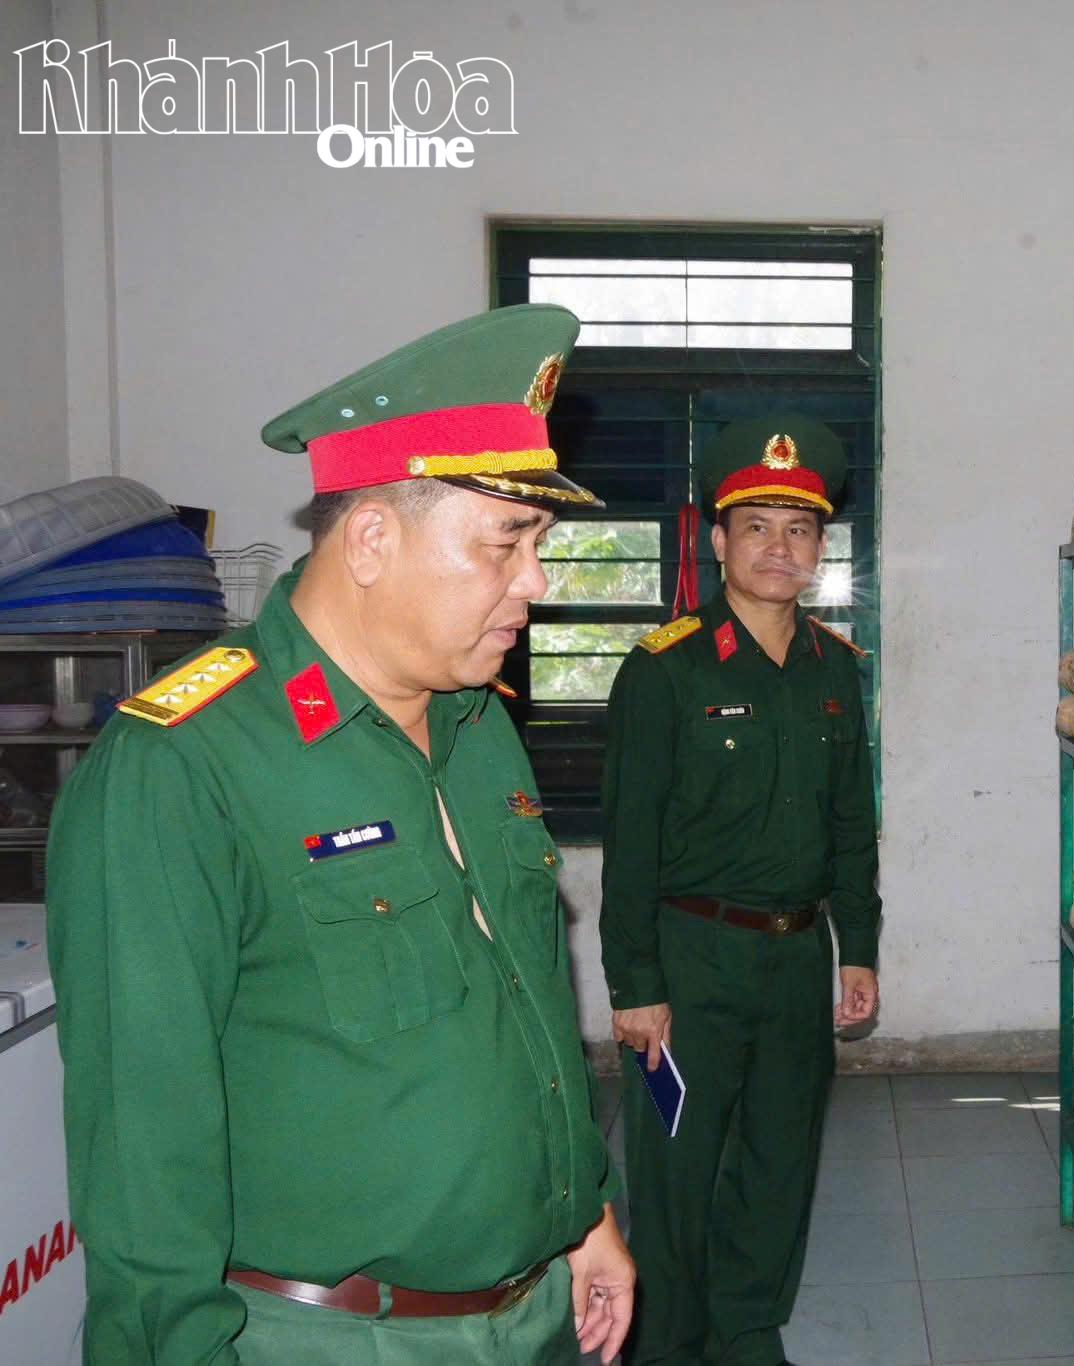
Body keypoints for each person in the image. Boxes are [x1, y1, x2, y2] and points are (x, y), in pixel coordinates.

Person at [46, 303, 635, 1365]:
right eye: (507, 541)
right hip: (328, 1337)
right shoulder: (183, 764)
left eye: (540, 544)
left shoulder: (477, 722)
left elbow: (525, 1000)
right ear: (370, 537)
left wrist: (585, 1217)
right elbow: (143, 1148)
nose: (537, 584)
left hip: (537, 1311)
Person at [601, 415, 881, 1366]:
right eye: (755, 525)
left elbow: (853, 826)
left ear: (819, 551)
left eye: (797, 530)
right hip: (691, 959)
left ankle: (748, 1333)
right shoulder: (663, 672)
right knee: (677, 1171)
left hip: (797, 957)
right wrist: (634, 981)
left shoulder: (838, 671)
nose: (778, 546)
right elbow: (630, 841)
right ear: (718, 543)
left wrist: (861, 948)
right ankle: (668, 1347)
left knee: (779, 1161)